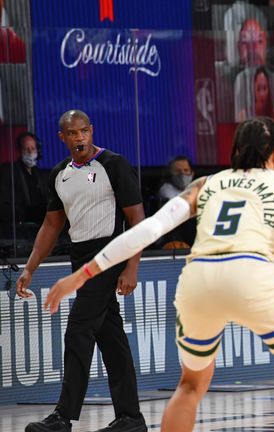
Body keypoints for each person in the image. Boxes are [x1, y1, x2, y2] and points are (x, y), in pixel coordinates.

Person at [43, 117, 274, 432]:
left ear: (235, 151)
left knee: (190, 386)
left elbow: (149, 229)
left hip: (198, 281)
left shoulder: (205, 183)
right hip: (251, 275)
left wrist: (83, 274)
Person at [18, 110, 147, 432]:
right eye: (72, 134)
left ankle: (63, 416)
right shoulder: (59, 174)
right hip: (80, 258)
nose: (79, 138)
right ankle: (131, 418)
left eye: (83, 132)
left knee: (78, 330)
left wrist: (131, 267)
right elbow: (51, 225)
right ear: (62, 137)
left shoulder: (114, 165)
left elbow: (138, 221)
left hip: (109, 254)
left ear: (91, 131)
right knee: (111, 338)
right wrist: (29, 268)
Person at [0, 132, 47, 228]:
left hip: (40, 224)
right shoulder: (9, 171)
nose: (30, 152)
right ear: (19, 151)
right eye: (26, 149)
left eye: (33, 148)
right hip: (19, 226)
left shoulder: (40, 174)